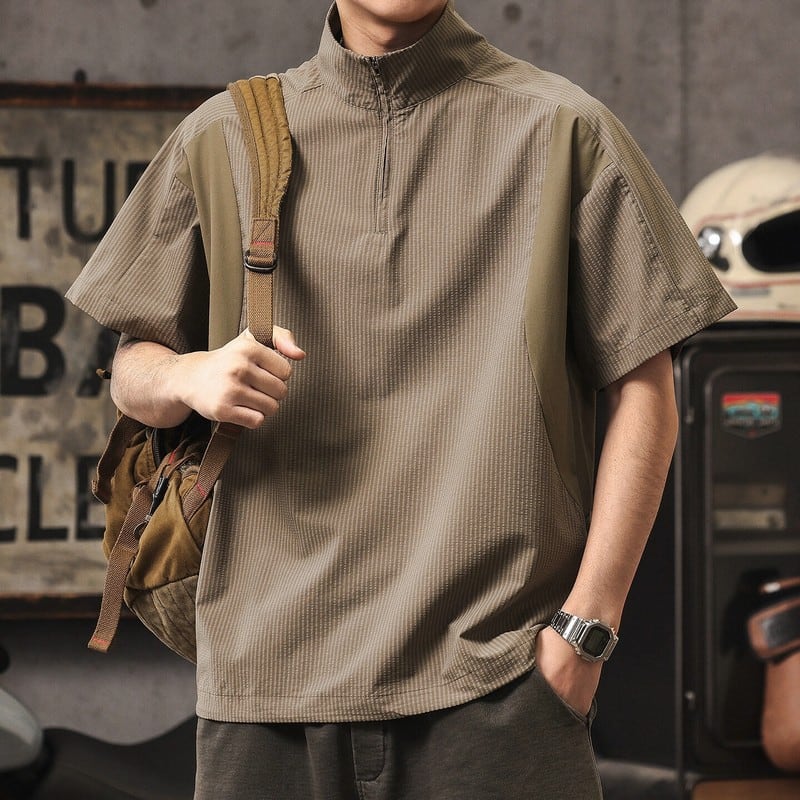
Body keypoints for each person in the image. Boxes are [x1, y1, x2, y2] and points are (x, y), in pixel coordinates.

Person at [67, 1, 736, 797]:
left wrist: (583, 634)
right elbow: (132, 371)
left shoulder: (564, 129)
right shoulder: (223, 135)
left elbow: (645, 390)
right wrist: (188, 377)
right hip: (265, 689)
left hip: (499, 683)